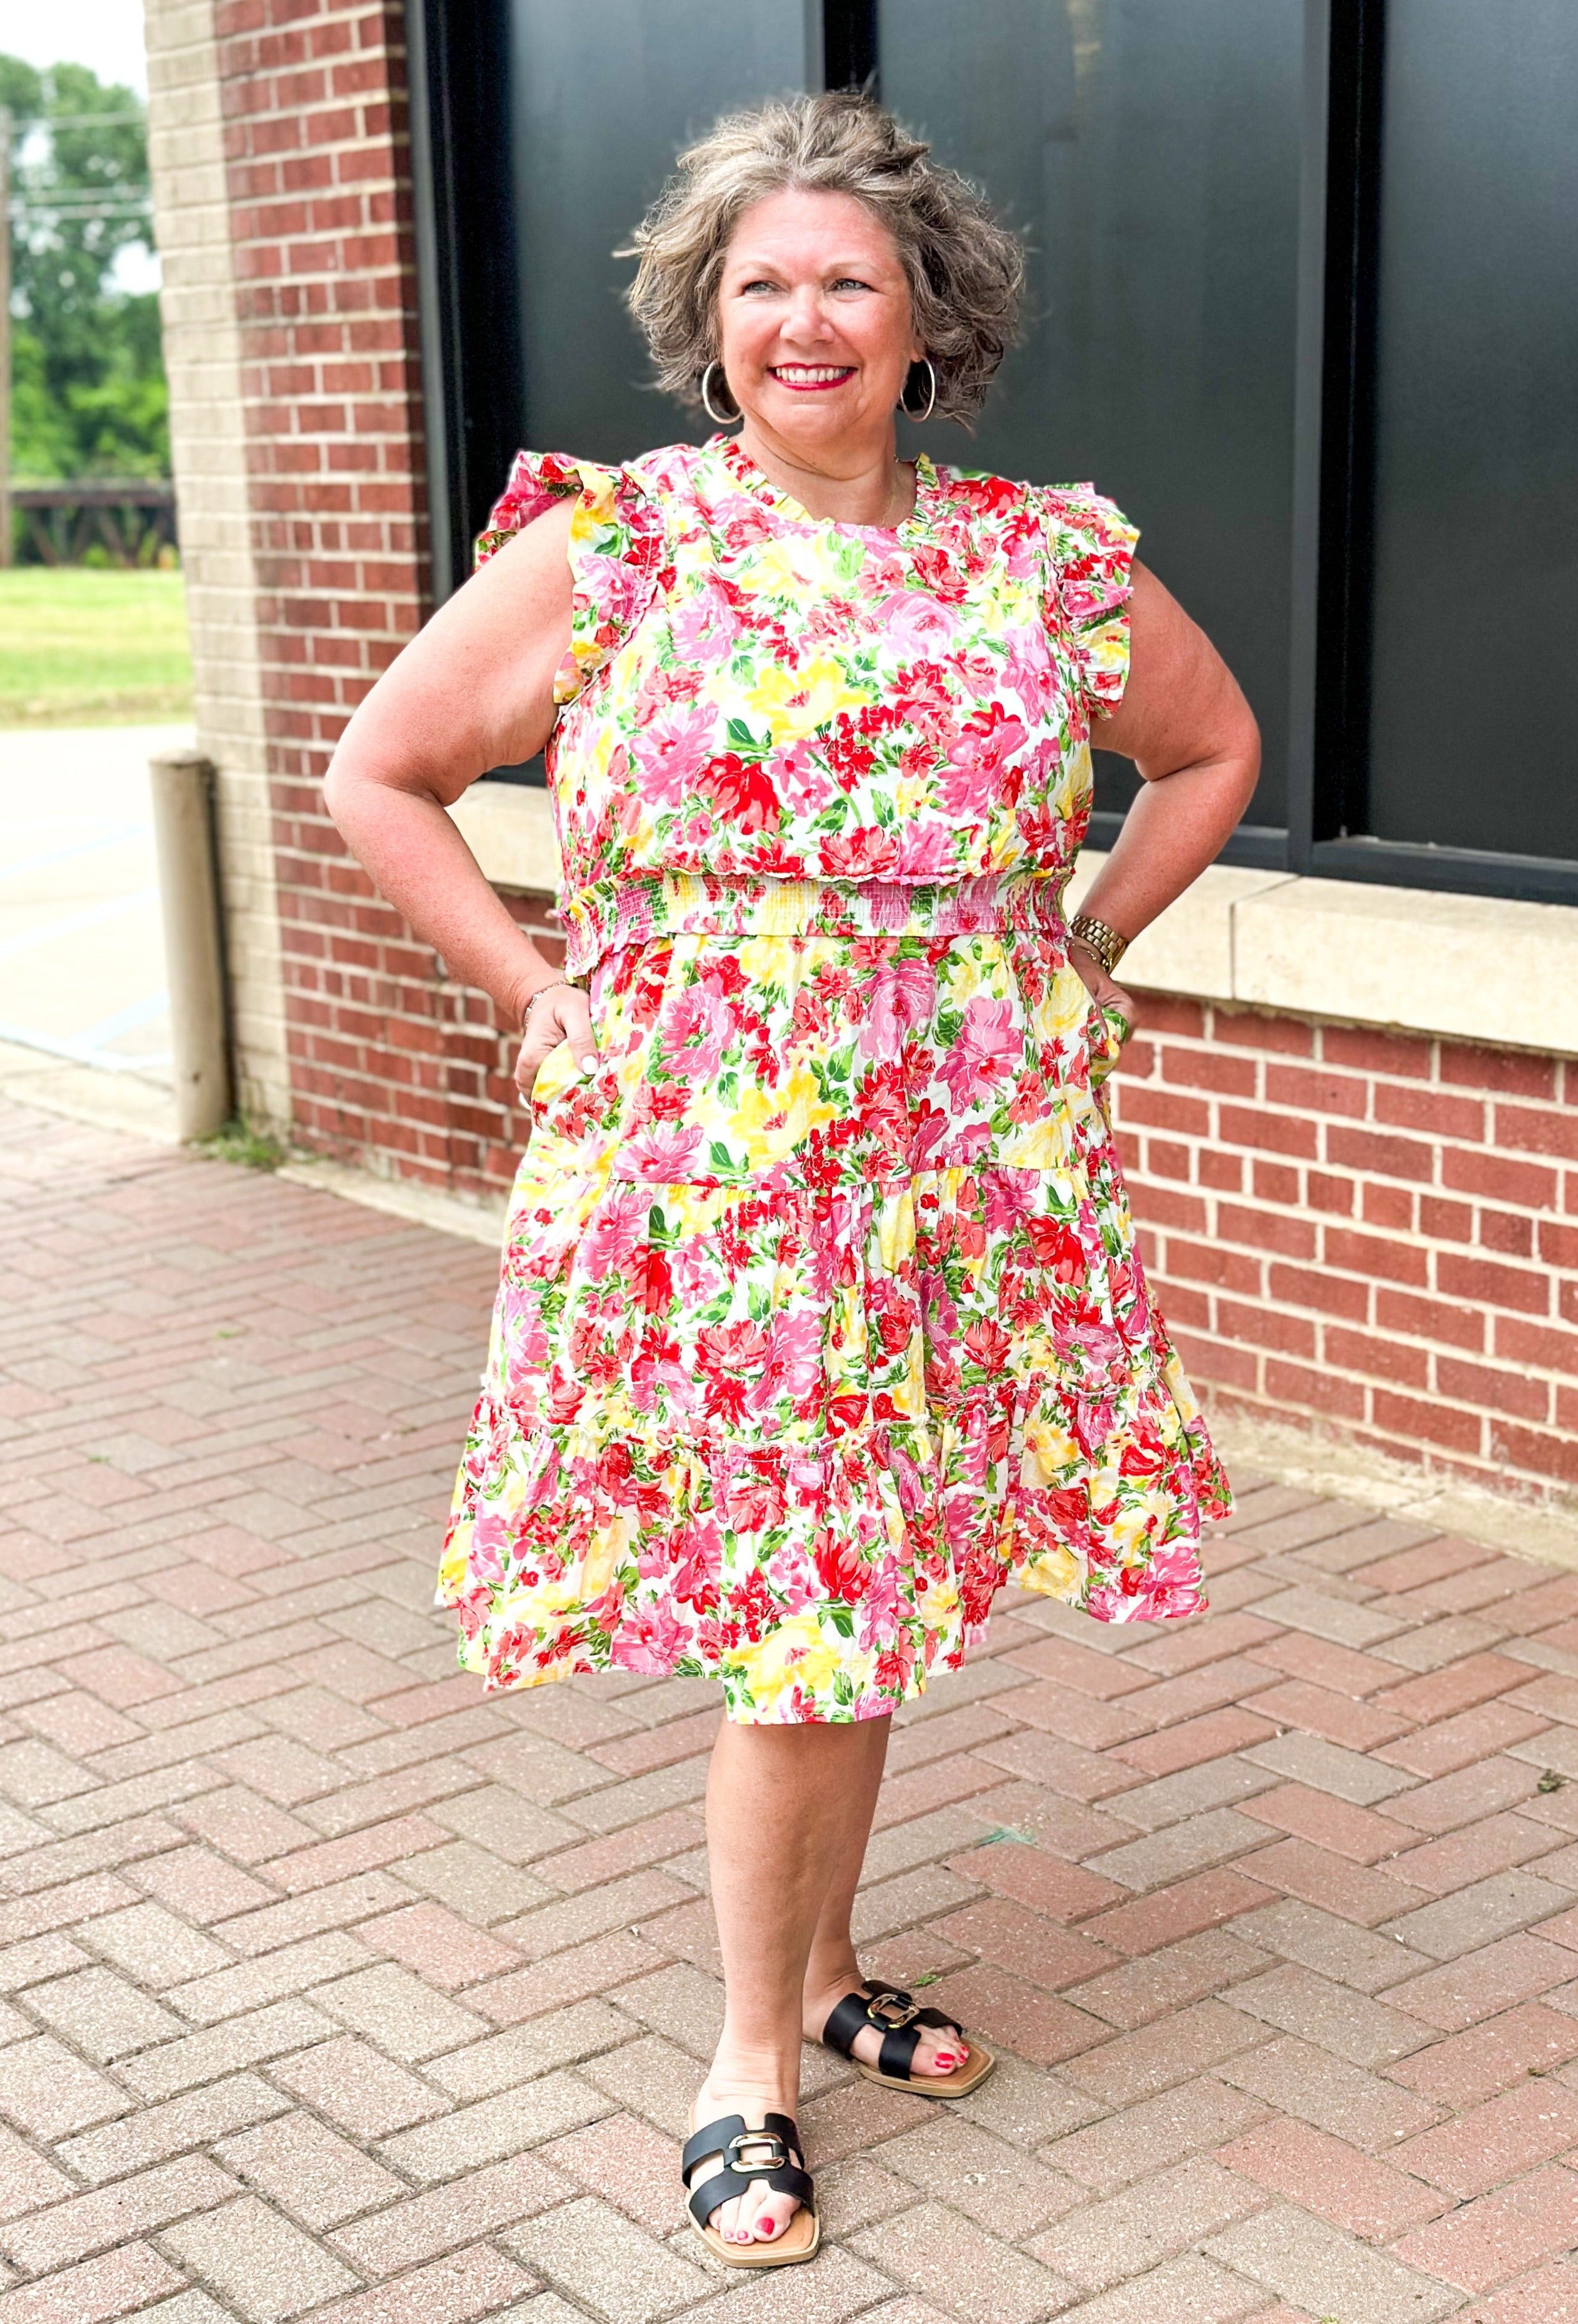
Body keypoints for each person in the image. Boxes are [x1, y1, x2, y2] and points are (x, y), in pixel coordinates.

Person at [324, 91, 1259, 2270]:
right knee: (802, 1633)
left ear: (930, 313)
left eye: (850, 277)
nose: (805, 318)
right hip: (713, 1177)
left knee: (857, 1595)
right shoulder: (624, 544)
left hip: (955, 1162)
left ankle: (825, 1985)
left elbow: (1210, 750)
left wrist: (1083, 946)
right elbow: (383, 772)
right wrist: (534, 987)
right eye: (761, 282)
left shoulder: (1042, 561)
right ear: (705, 317)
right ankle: (743, 2061)